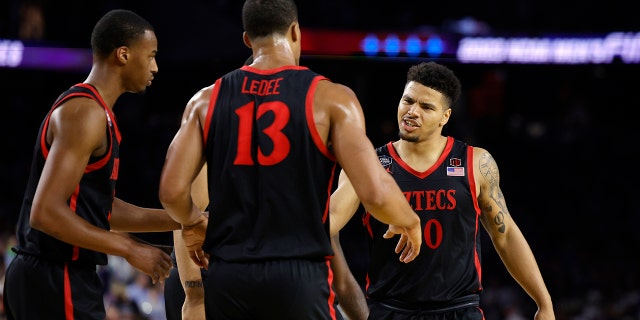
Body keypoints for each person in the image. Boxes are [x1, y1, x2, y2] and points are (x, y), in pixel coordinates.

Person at [157, 0, 423, 318]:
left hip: (229, 276)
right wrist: (409, 219)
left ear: (247, 39)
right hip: (299, 276)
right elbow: (376, 193)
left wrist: (193, 222)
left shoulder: (205, 101)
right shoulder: (333, 99)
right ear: (296, 32)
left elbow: (171, 192)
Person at [330, 61, 555, 320]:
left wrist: (544, 302)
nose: (412, 111)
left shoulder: (475, 162)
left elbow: (504, 234)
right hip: (391, 310)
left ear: (445, 117)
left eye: (426, 107)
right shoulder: (368, 164)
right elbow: (331, 219)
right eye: (408, 100)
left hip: (458, 310)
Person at [2, 9, 182, 320]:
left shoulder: (98, 113)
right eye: (150, 55)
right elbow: (45, 213)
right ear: (123, 54)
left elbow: (103, 210)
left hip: (56, 276)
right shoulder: (86, 114)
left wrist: (185, 219)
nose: (155, 66)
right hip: (54, 275)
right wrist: (128, 250)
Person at [164, 166, 370, 320]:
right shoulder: (226, 128)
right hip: (201, 273)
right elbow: (184, 213)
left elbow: (327, 224)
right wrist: (195, 295)